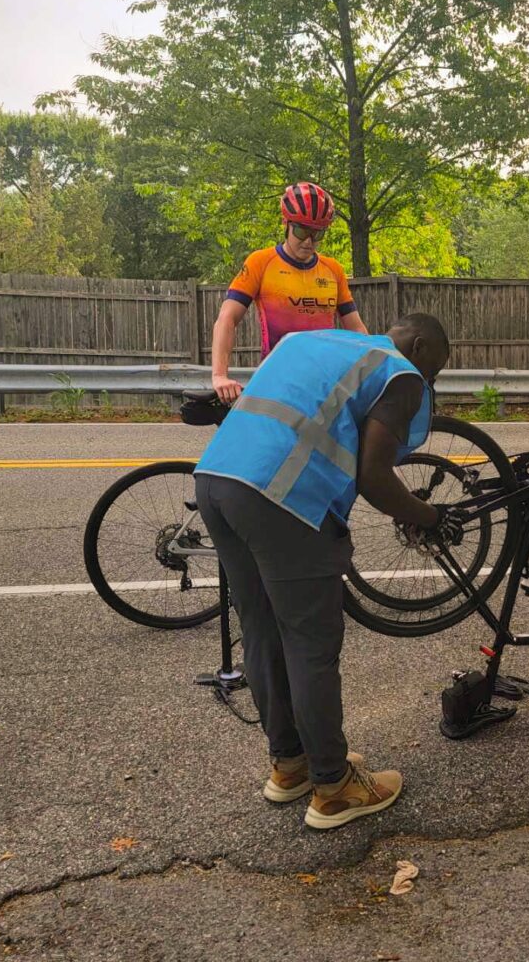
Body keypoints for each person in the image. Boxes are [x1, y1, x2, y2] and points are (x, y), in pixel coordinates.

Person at [194, 314, 460, 829]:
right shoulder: (398, 372)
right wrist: (429, 516)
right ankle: (334, 787)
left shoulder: (321, 341)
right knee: (310, 644)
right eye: (437, 369)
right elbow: (375, 475)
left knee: (262, 629)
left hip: (217, 481)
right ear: (420, 345)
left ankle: (291, 765)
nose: (432, 382)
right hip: (280, 500)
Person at [211, 181, 369, 403]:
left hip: (326, 385)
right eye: (302, 230)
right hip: (278, 384)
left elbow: (357, 329)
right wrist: (219, 376)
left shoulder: (333, 269)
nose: (308, 241)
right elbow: (226, 319)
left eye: (317, 233)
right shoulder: (261, 262)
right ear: (286, 223)